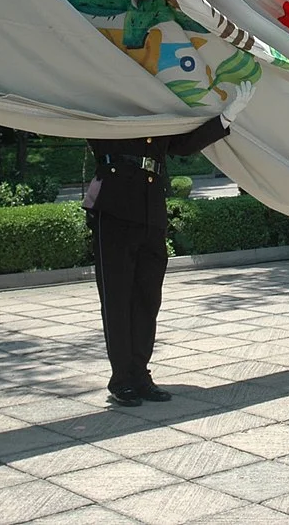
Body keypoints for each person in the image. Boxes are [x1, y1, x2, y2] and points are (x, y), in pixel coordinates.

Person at [85, 81, 255, 407]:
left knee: (147, 299)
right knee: (118, 299)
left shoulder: (159, 103)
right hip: (115, 207)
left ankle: (140, 374)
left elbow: (181, 143)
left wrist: (226, 117)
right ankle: (122, 379)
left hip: (151, 210)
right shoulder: (104, 99)